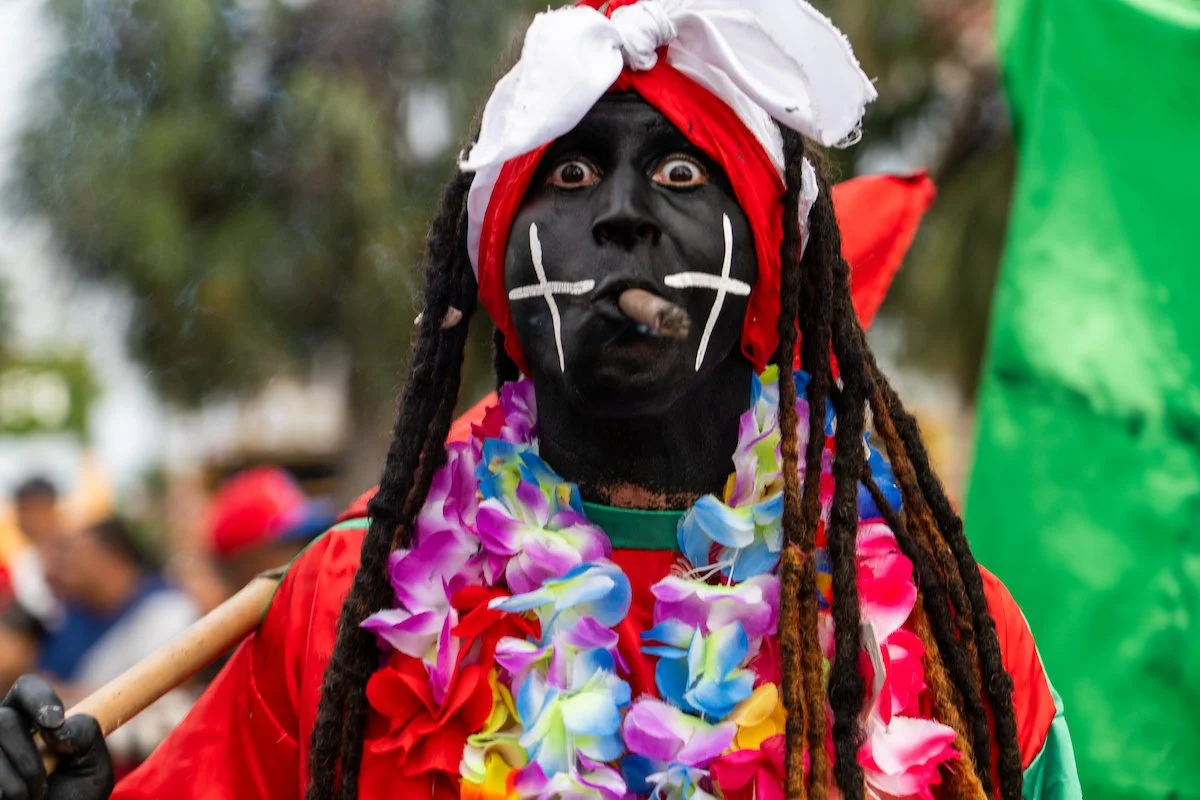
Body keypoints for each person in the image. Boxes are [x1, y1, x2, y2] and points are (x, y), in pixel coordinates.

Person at [0, 1, 1081, 798]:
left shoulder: (951, 638)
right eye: (567, 177)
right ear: (502, 286)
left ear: (760, 278)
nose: (621, 219)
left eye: (680, 175)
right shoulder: (349, 610)